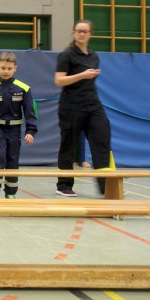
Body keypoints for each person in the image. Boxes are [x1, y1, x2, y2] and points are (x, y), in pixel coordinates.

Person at [54, 19, 112, 197]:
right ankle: (64, 185)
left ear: (90, 34)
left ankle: (106, 186)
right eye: (78, 31)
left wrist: (88, 76)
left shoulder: (94, 57)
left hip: (93, 104)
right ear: (74, 33)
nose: (81, 34)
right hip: (71, 106)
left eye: (85, 31)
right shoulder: (67, 55)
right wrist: (82, 75)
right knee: (68, 144)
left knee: (102, 138)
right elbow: (59, 80)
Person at [0, 52, 37, 199]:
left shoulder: (23, 88)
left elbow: (30, 111)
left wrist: (31, 131)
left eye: (9, 68)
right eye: (3, 68)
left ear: (15, 69)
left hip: (14, 129)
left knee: (13, 159)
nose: (6, 71)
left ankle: (11, 193)